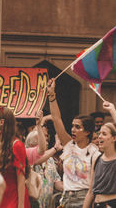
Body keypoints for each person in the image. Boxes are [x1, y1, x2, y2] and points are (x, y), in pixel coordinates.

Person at [47, 78, 99, 208]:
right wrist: (52, 95)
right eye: (72, 126)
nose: (73, 130)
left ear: (87, 132)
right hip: (65, 198)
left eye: (77, 127)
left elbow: (95, 186)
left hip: (84, 199)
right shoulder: (69, 145)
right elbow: (57, 119)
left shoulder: (95, 153)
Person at [83, 122, 116, 208]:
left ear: (114, 138)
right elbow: (91, 192)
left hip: (115, 204)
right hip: (97, 204)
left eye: (104, 134)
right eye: (99, 133)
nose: (100, 136)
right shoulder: (96, 159)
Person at [0, 107, 31, 208]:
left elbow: (21, 179)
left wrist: (20, 206)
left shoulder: (17, 145)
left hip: (14, 201)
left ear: (2, 122)